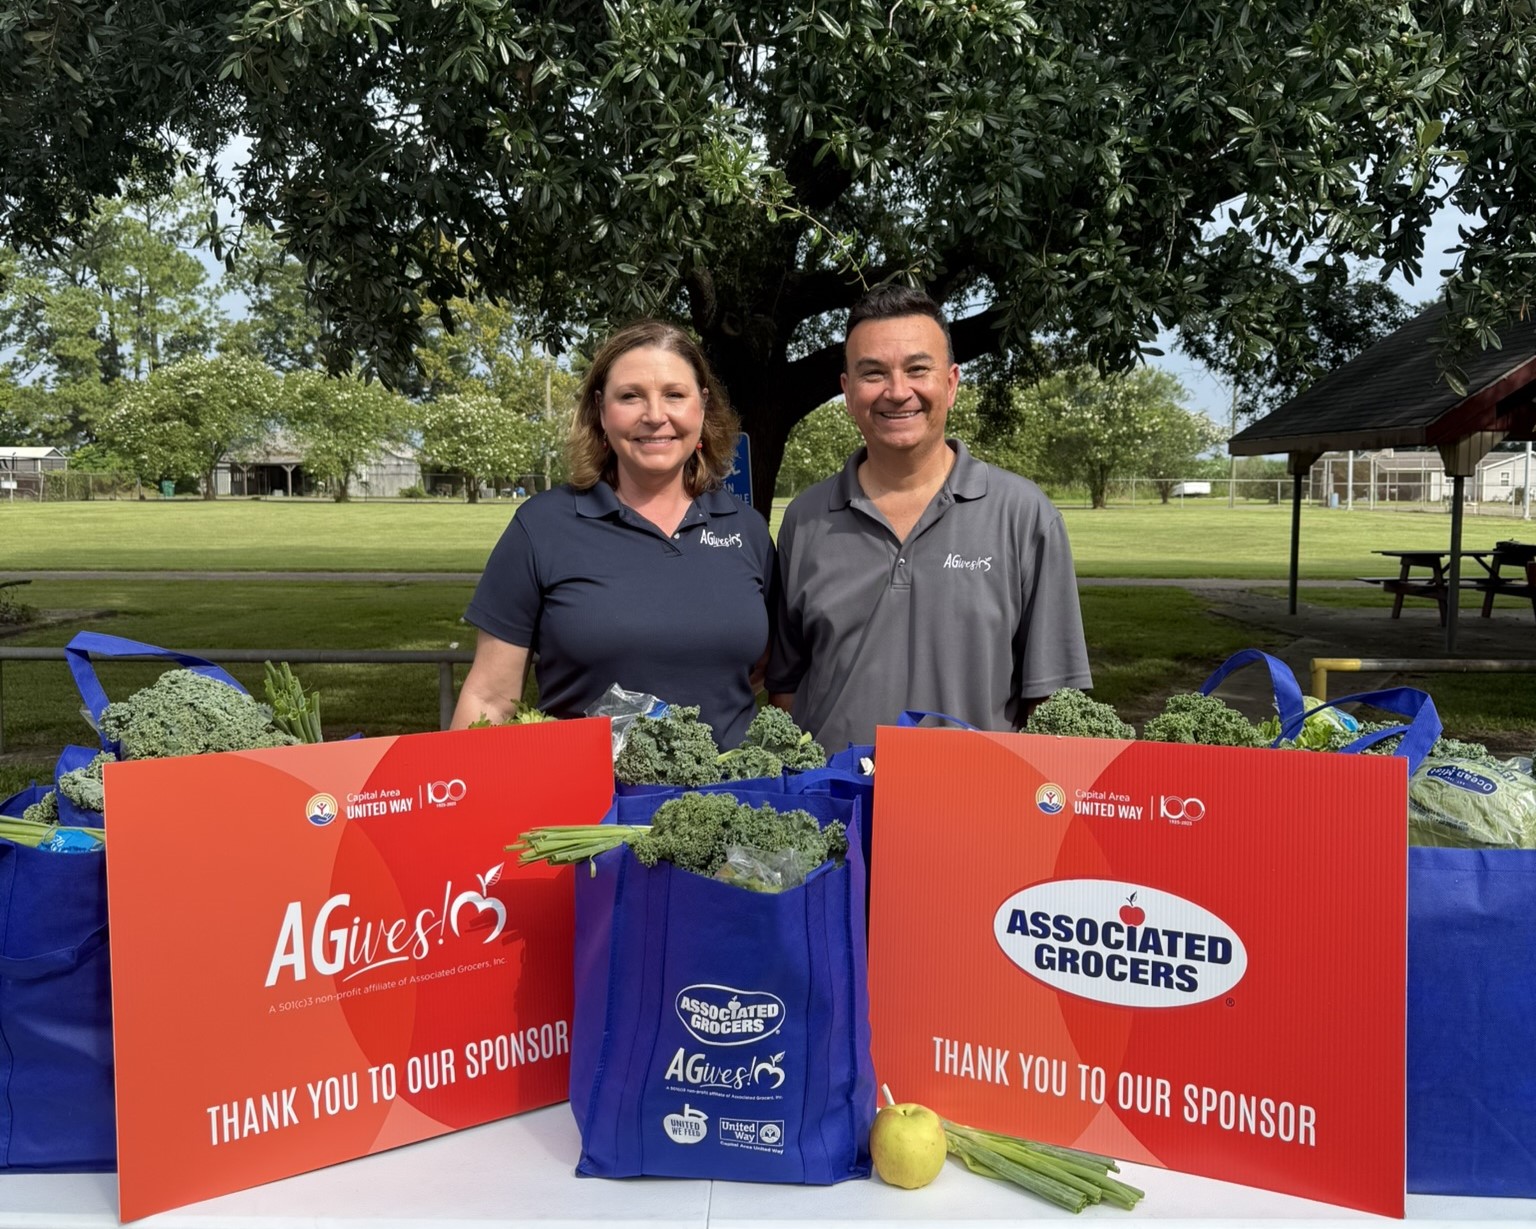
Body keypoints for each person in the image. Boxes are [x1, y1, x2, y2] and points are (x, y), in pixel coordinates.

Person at [766, 285, 1092, 751]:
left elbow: (1053, 706)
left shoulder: (1023, 516)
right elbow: (786, 690)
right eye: (873, 373)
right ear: (847, 390)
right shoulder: (806, 520)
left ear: (952, 383)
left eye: (918, 369)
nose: (898, 392)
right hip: (833, 810)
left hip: (975, 808)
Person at [451, 320, 773, 747]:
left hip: (731, 802)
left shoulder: (746, 528)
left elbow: (759, 672)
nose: (655, 416)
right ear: (602, 412)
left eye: (675, 395)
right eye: (630, 396)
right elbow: (489, 700)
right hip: (588, 806)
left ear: (702, 407)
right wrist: (460, 801)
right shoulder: (542, 527)